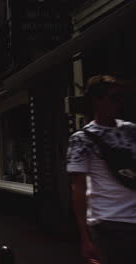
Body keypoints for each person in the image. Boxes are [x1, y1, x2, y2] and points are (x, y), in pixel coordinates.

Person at [67, 75, 136, 264]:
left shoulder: (131, 130)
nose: (119, 103)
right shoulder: (82, 139)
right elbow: (78, 189)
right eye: (114, 97)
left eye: (122, 97)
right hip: (108, 225)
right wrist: (85, 238)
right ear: (96, 100)